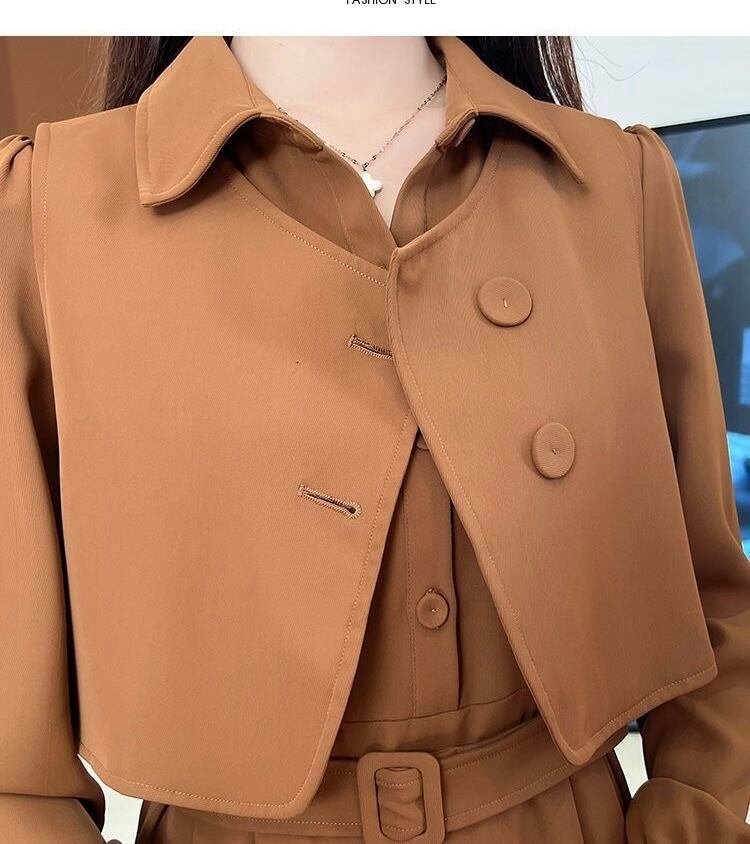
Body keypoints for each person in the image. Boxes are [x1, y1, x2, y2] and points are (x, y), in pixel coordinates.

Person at [0, 35, 748, 844]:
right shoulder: (50, 213)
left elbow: (715, 613)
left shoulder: (616, 186)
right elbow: (14, 776)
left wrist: (691, 821)